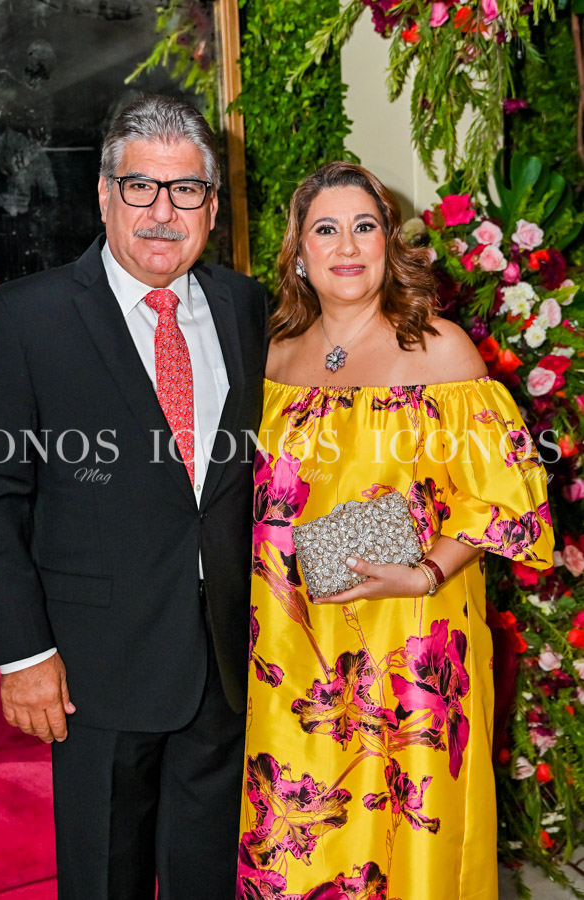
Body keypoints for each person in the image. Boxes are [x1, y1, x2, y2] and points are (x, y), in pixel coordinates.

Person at [0, 95, 267, 900]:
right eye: (140, 187)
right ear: (104, 194)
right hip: (93, 670)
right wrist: (25, 657)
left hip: (226, 665)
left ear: (211, 205)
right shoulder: (27, 317)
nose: (163, 212)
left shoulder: (245, 307)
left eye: (186, 190)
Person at [237, 162, 554, 900]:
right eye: (326, 229)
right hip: (290, 647)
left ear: (389, 242)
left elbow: (506, 497)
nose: (346, 246)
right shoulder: (273, 357)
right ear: (299, 251)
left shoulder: (440, 352)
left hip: (409, 640)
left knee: (408, 846)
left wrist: (425, 572)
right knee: (294, 845)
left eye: (364, 226)